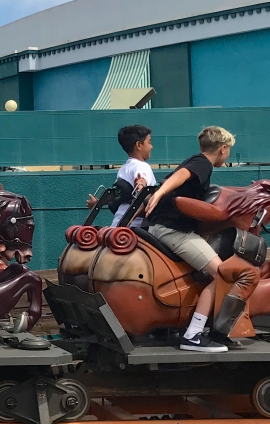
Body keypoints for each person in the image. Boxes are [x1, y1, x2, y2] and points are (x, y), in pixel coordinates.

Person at [142, 126, 236, 353]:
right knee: (222, 274)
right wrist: (160, 193)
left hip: (162, 227)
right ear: (223, 149)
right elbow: (180, 176)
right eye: (229, 150)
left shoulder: (192, 160)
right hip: (173, 231)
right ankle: (193, 335)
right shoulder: (202, 164)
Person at [87, 124, 155, 227]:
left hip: (117, 223)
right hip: (137, 227)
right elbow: (142, 181)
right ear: (138, 145)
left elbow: (120, 193)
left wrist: (97, 202)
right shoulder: (143, 166)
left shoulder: (124, 169)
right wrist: (141, 185)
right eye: (149, 142)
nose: (151, 146)